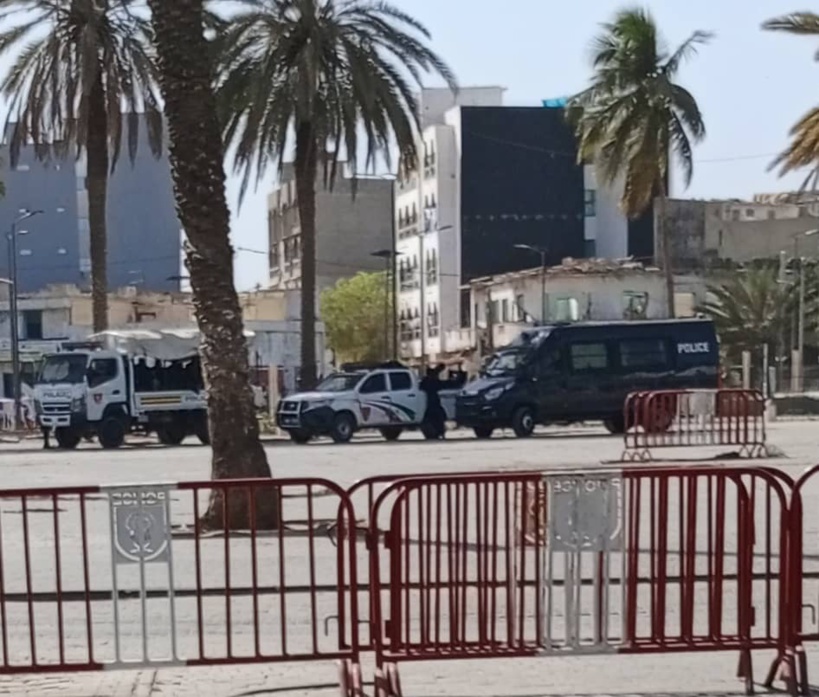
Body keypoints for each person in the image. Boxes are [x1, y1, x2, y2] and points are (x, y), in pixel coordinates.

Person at [420, 363, 447, 439]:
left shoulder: (425, 381)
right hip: (432, 403)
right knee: (437, 418)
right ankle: (439, 432)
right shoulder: (431, 381)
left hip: (430, 404)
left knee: (436, 419)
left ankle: (439, 432)